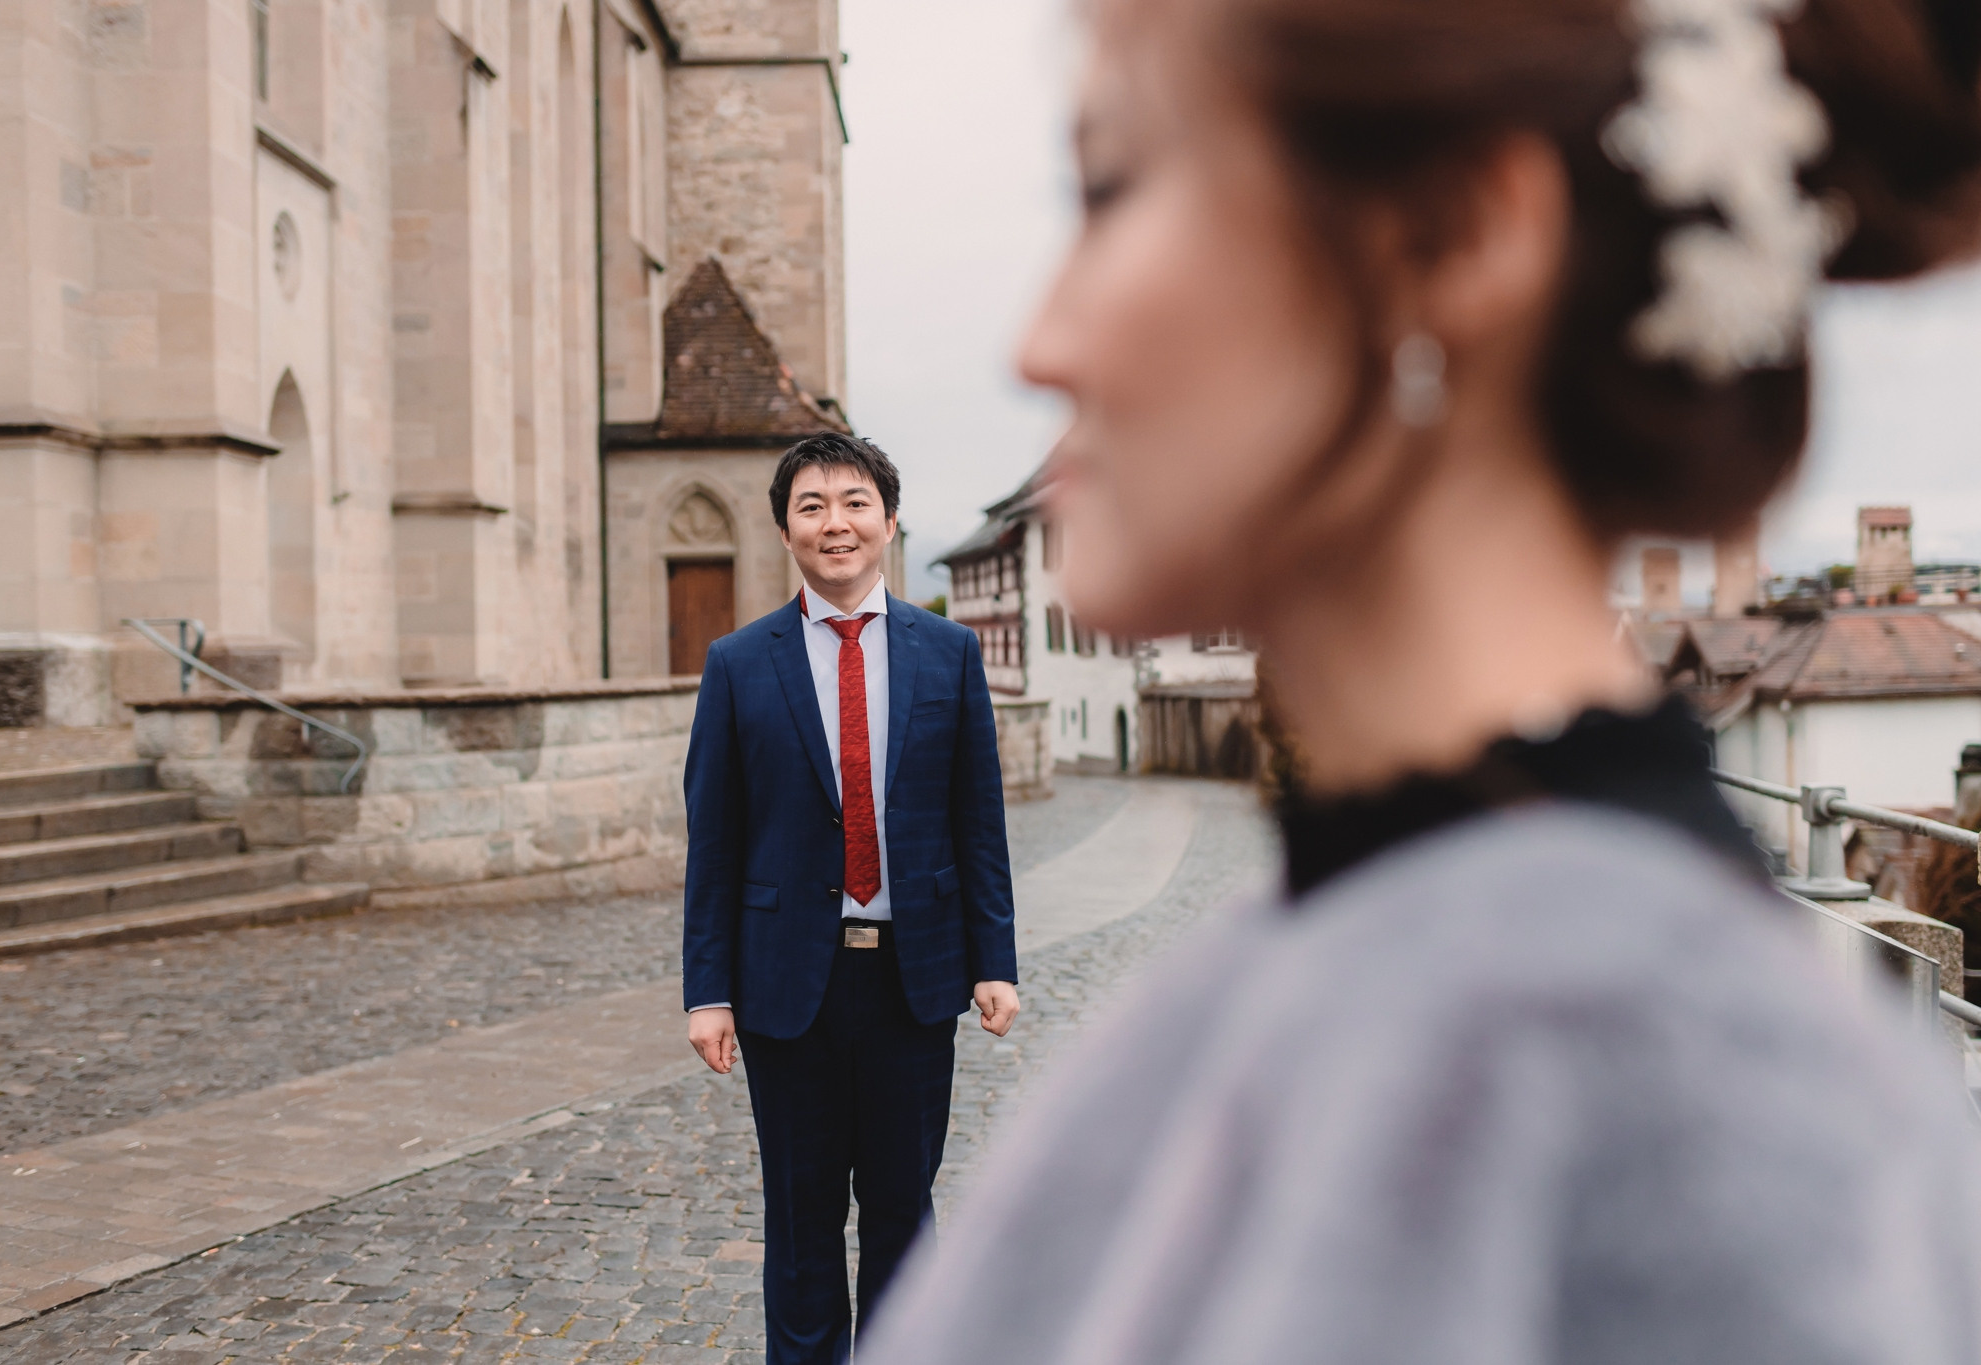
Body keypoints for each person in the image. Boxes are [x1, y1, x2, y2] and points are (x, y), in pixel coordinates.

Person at [861, 0, 1981, 1361]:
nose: (1038, 342)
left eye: (1114, 186)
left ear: (1451, 235)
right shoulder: (1378, 958)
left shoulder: (1657, 1078)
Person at [681, 432, 1020, 1364]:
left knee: (905, 1209)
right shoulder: (738, 664)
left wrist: (994, 961)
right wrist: (706, 990)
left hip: (915, 982)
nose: (837, 523)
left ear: (889, 519)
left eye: (855, 502)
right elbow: (712, 843)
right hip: (788, 987)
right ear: (787, 529)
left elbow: (976, 820)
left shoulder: (947, 653)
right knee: (801, 1216)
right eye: (813, 506)